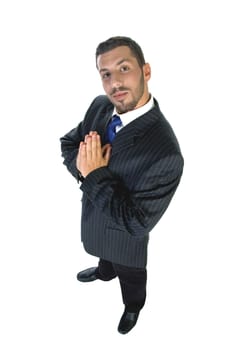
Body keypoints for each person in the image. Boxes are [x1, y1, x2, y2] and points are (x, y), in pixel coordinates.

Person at [60, 36, 184, 334]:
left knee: (129, 275)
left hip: (126, 241)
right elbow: (68, 143)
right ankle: (104, 273)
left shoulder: (165, 152)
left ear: (146, 72)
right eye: (106, 74)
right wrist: (84, 169)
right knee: (104, 257)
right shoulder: (99, 107)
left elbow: (137, 224)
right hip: (95, 222)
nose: (115, 82)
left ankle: (134, 305)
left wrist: (93, 175)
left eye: (124, 68)